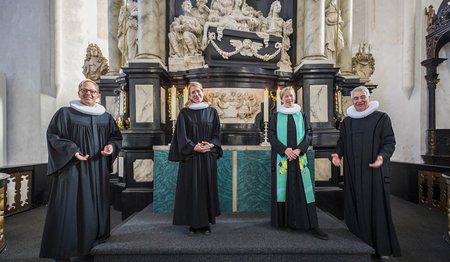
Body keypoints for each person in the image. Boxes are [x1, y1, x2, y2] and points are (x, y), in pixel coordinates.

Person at [40, 79, 122, 261]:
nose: (89, 94)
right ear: (78, 93)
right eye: (85, 91)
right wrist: (72, 151)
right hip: (72, 169)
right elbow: (53, 136)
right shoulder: (65, 114)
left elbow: (115, 137)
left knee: (95, 205)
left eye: (92, 91)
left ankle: (94, 244)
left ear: (98, 95)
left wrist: (110, 147)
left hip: (96, 168)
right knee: (68, 207)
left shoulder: (105, 117)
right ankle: (64, 251)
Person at [331, 86, 401, 259]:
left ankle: (381, 248)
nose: (359, 101)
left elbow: (389, 142)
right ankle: (359, 246)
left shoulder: (382, 118)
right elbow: (341, 142)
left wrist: (382, 157)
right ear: (351, 100)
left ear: (369, 98)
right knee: (355, 207)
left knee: (376, 209)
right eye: (355, 98)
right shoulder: (347, 122)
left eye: (363, 97)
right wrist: (337, 154)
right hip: (353, 173)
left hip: (373, 172)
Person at [268, 87, 328, 240]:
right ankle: (287, 222)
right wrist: (285, 150)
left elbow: (308, 134)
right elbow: (272, 136)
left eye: (291, 96)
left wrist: (299, 150)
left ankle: (310, 224)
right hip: (284, 158)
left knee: (303, 191)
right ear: (281, 99)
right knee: (285, 189)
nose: (289, 99)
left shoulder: (302, 115)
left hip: (298, 159)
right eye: (286, 96)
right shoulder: (276, 116)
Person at [169, 81, 222, 236]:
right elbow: (181, 135)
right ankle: (192, 223)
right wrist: (193, 146)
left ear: (203, 92)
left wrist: (211, 145)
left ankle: (205, 223)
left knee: (206, 188)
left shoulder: (212, 112)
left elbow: (217, 133)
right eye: (193, 93)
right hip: (191, 157)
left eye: (198, 91)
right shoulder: (184, 113)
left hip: (207, 157)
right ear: (189, 95)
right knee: (191, 189)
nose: (196, 95)